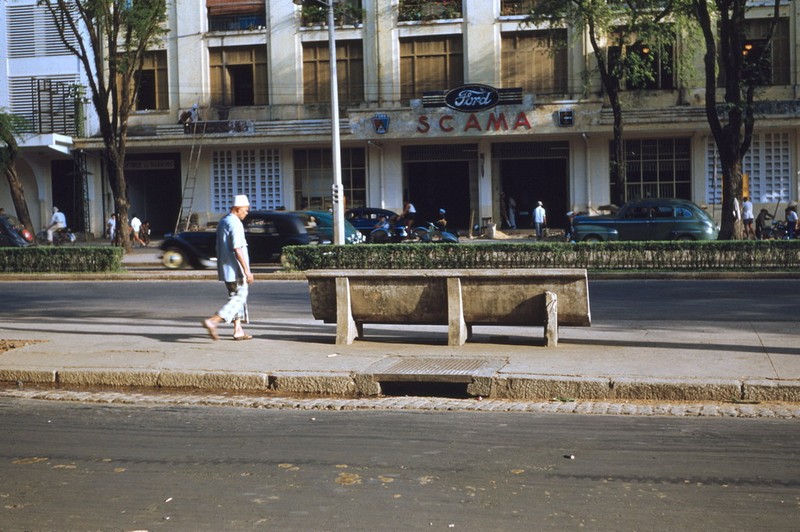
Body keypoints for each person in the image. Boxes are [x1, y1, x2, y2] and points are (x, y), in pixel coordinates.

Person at [203, 194, 255, 341]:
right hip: (236, 269)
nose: (247, 212)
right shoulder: (235, 223)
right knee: (239, 297)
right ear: (237, 209)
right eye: (245, 210)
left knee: (235, 297)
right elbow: (237, 248)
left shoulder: (224, 221)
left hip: (226, 269)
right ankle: (214, 320)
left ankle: (238, 330)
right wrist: (247, 271)